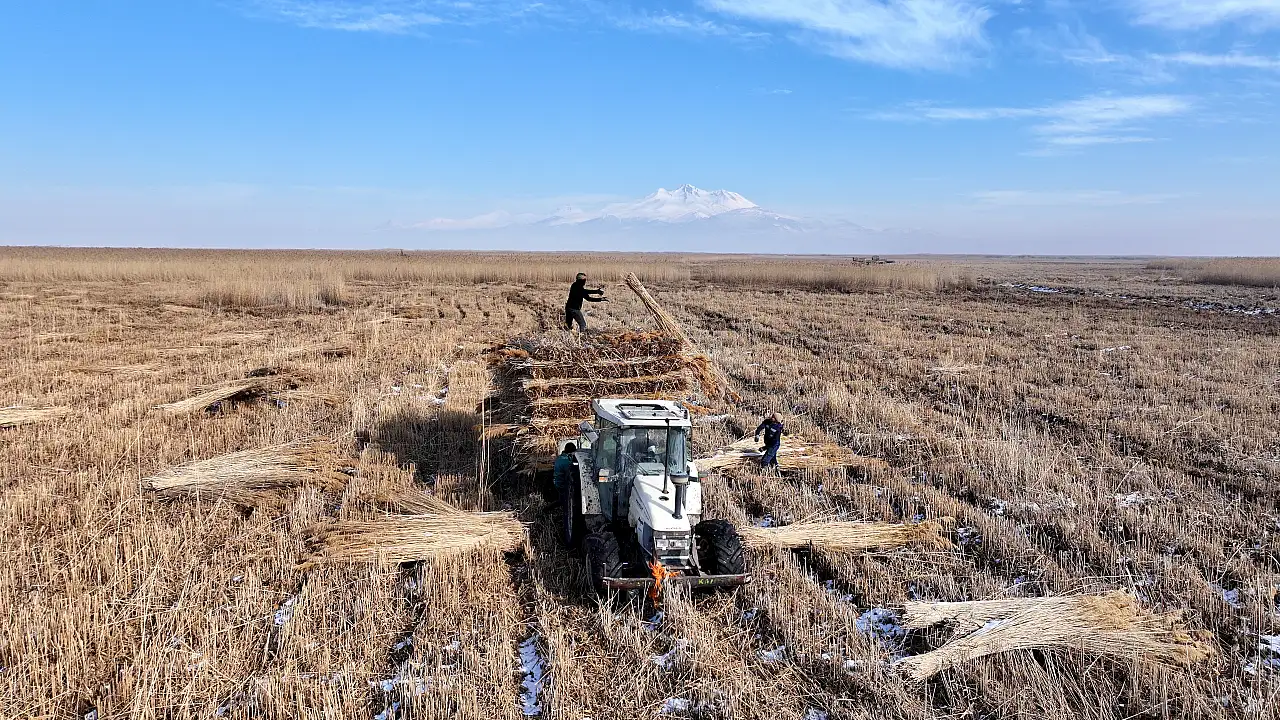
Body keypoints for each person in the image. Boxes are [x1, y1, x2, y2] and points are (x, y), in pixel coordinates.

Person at [553, 442, 577, 507]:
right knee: (565, 501)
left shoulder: (560, 457)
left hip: (557, 481)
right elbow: (569, 474)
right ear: (571, 452)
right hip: (561, 483)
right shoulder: (566, 461)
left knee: (562, 499)